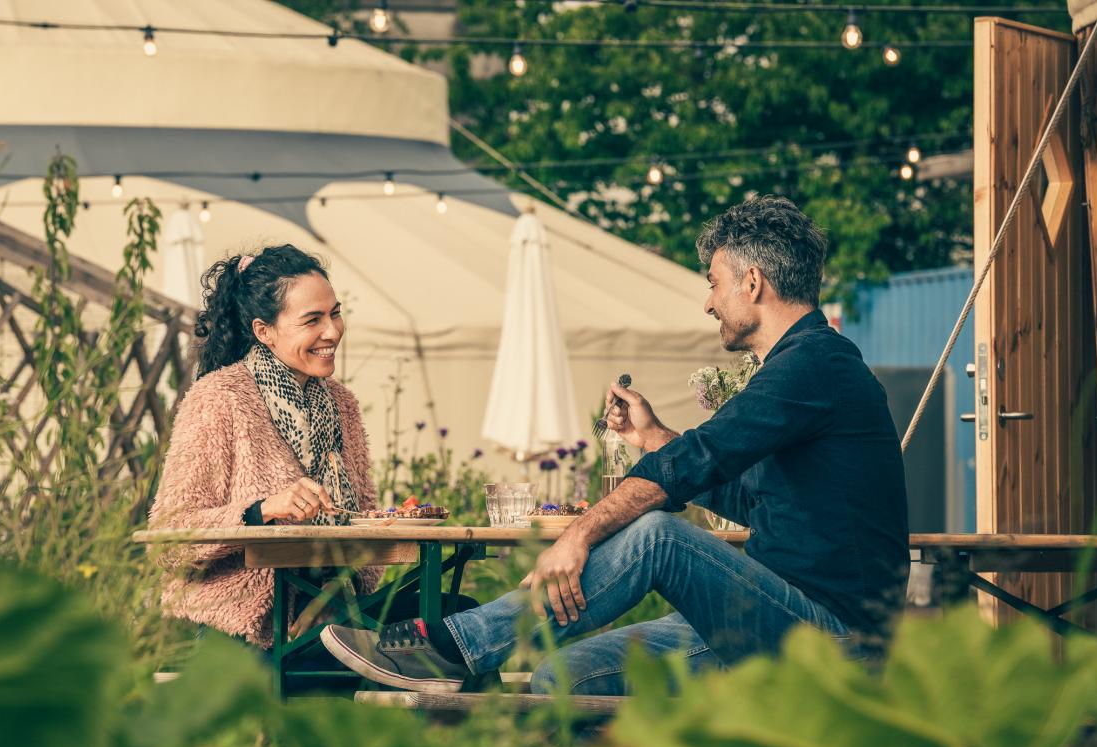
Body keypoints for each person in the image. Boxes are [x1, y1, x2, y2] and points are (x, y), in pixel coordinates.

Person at [320, 196, 910, 694]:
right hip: (770, 620)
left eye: (714, 283)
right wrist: (653, 438)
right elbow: (752, 498)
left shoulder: (814, 366)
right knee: (561, 678)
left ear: (752, 282)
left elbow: (698, 459)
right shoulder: (805, 369)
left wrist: (578, 536)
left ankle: (454, 646)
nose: (709, 303)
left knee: (659, 537)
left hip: (832, 641)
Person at [148, 244, 381, 648]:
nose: (333, 331)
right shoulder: (220, 398)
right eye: (313, 320)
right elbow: (170, 537)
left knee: (447, 625)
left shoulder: (343, 404)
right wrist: (261, 511)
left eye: (335, 313)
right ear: (264, 331)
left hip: (331, 621)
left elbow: (363, 521)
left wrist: (334, 594)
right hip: (241, 629)